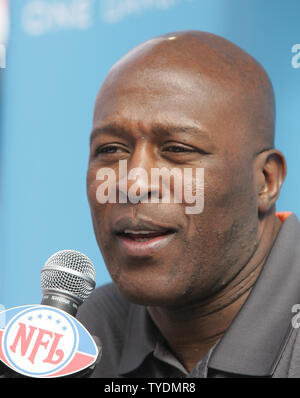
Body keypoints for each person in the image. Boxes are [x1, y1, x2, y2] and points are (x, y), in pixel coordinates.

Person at [77, 30, 300, 378]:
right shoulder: (86, 334)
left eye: (178, 150)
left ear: (265, 181)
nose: (133, 183)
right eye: (111, 150)